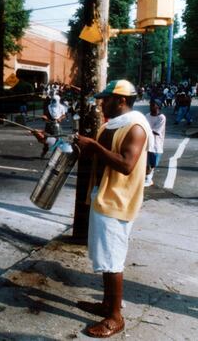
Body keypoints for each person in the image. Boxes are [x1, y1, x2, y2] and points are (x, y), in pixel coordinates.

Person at [74, 80, 152, 338]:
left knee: (113, 259)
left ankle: (116, 317)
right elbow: (100, 155)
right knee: (104, 256)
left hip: (118, 201)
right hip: (102, 196)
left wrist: (94, 146)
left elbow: (127, 164)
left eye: (106, 99)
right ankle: (107, 304)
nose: (102, 103)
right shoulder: (111, 124)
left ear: (120, 100)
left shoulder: (136, 127)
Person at [144, 99, 166, 187]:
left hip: (156, 144)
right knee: (147, 163)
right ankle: (148, 179)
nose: (150, 106)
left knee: (153, 163)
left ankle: (149, 177)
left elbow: (156, 131)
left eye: (153, 104)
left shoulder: (161, 117)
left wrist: (145, 129)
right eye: (150, 104)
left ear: (158, 106)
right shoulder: (147, 115)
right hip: (147, 142)